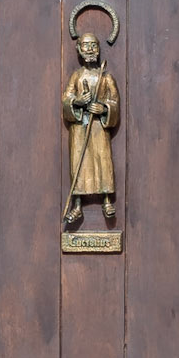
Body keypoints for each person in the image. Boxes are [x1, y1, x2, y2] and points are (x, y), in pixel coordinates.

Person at [62, 33, 121, 229]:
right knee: (79, 163)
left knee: (102, 161)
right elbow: (67, 98)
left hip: (98, 127)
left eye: (93, 45)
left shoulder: (105, 77)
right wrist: (77, 102)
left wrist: (104, 108)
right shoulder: (77, 77)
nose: (89, 49)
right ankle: (77, 205)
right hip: (80, 127)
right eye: (85, 46)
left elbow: (114, 101)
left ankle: (106, 200)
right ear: (78, 49)